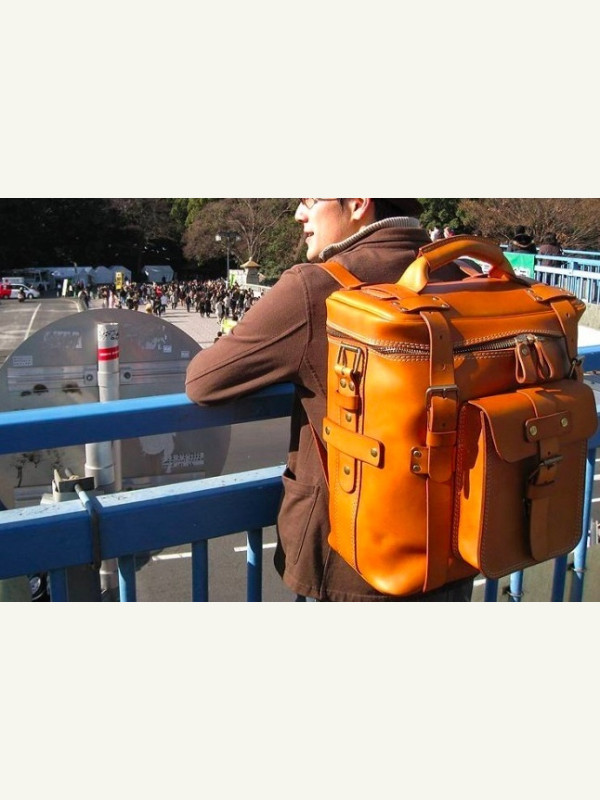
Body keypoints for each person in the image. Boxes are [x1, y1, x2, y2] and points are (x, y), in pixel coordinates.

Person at [185, 198, 474, 602]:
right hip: (458, 543)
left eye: (310, 199)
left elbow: (203, 381)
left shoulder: (315, 288)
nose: (299, 214)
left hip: (351, 563)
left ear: (357, 202)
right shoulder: (464, 274)